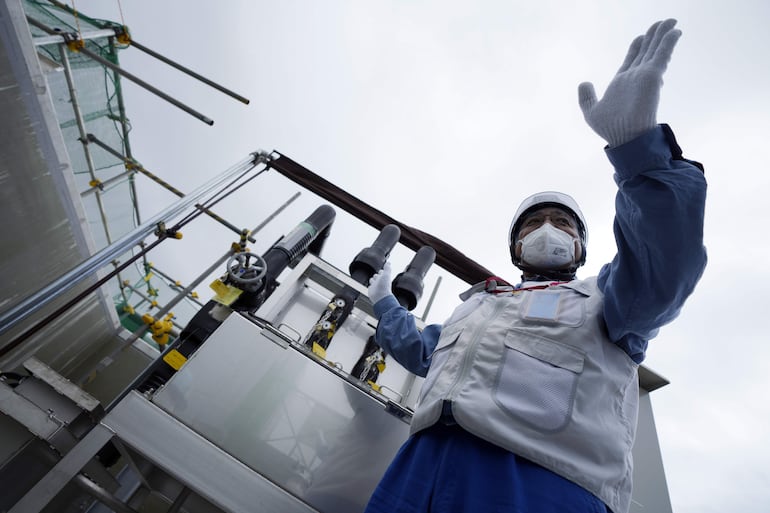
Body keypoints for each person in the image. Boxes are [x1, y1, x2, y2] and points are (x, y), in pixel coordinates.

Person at [363, 18, 707, 513]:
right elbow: (422, 351)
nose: (548, 229)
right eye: (534, 223)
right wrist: (384, 306)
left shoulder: (609, 299)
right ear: (516, 247)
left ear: (580, 247)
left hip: (543, 487)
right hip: (419, 472)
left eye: (562, 222)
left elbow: (667, 260)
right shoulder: (479, 306)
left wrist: (640, 155)